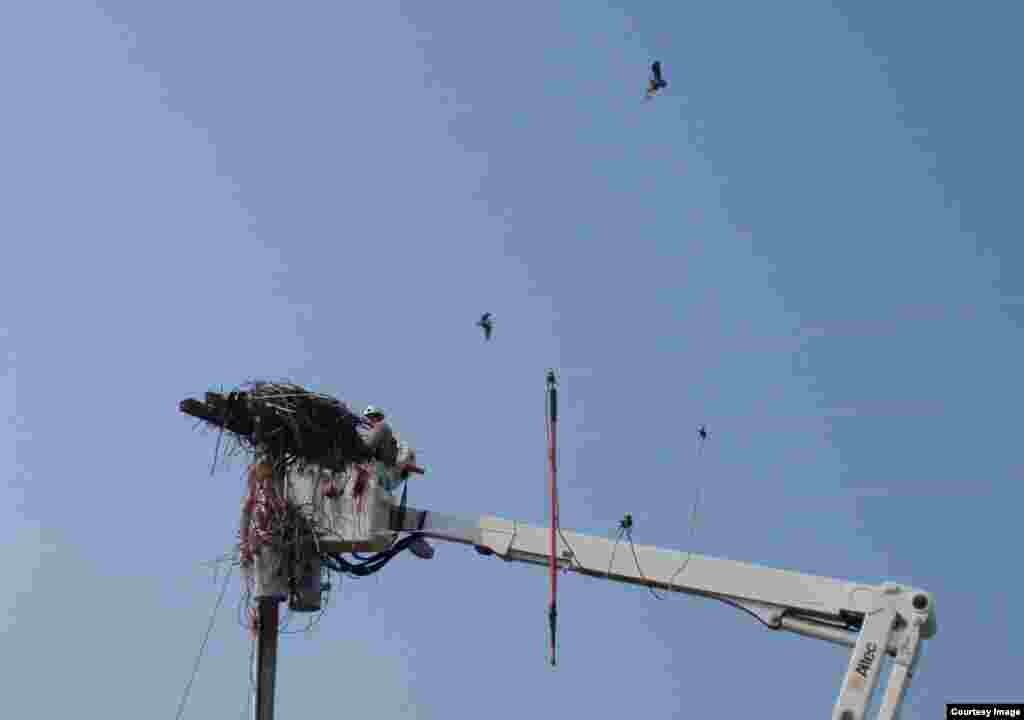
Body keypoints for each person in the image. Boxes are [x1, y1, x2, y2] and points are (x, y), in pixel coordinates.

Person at [360, 405, 434, 560]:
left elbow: (367, 447)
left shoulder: (381, 428)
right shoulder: (380, 430)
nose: (368, 421)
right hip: (380, 477)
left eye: (369, 418)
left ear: (374, 417)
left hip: (378, 471)